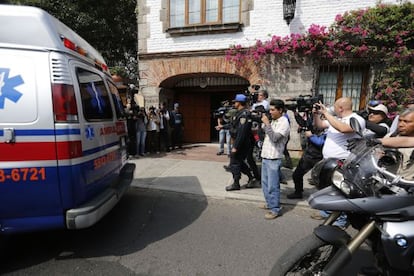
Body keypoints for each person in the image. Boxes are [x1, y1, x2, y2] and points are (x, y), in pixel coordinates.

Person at [310, 97, 366, 226]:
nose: (332, 109)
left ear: (340, 108)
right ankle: (328, 214)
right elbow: (319, 125)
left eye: (334, 107)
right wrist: (317, 115)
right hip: (328, 163)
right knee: (328, 190)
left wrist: (326, 113)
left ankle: (340, 221)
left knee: (339, 192)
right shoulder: (337, 119)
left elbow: (344, 129)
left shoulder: (357, 119)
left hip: (343, 164)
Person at [259, 99, 290, 219]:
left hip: (274, 157)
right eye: (269, 109)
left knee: (273, 185)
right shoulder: (273, 120)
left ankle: (275, 209)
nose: (270, 112)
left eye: (273, 110)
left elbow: (275, 138)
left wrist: (267, 124)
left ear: (280, 110)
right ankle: (269, 203)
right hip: (266, 156)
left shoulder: (284, 122)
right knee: (265, 184)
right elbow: (263, 133)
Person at [225, 94, 255, 191]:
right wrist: (222, 127)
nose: (234, 103)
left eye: (235, 102)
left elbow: (241, 133)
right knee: (239, 162)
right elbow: (234, 126)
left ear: (239, 103)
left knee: (234, 162)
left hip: (241, 143)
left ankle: (236, 183)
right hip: (239, 142)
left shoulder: (244, 115)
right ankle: (251, 177)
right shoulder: (239, 113)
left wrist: (235, 147)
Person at [286, 129, 326, 199]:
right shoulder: (313, 125)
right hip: (309, 156)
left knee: (322, 179)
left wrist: (311, 136)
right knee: (296, 175)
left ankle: (324, 196)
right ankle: (298, 192)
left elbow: (321, 142)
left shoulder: (329, 129)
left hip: (320, 158)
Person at [380, 107, 414, 180]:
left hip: (408, 186)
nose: (401, 124)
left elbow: (406, 141)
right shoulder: (390, 136)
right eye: (400, 120)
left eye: (406, 121)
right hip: (385, 182)